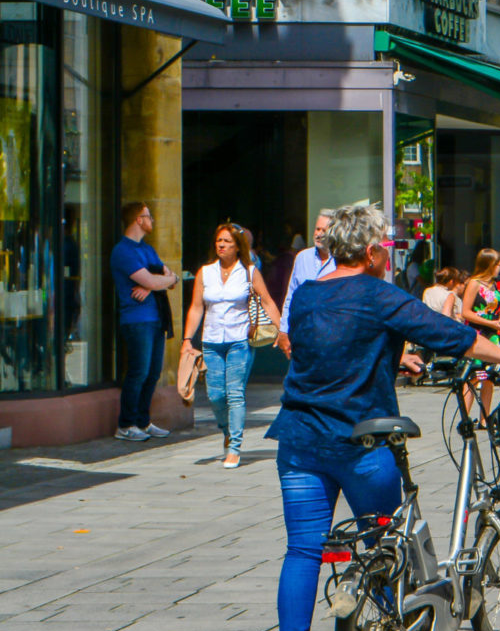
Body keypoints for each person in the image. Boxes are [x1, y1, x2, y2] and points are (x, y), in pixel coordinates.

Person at [268, 203, 500, 631]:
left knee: (303, 549)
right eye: (384, 249)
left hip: (300, 439)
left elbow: (331, 347)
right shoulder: (378, 294)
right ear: (369, 252)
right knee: (388, 542)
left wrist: (396, 354)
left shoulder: (306, 295)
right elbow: (454, 337)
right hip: (361, 441)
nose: (388, 257)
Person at [181, 222, 283, 468]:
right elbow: (196, 308)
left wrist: (281, 331)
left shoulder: (249, 272)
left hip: (240, 340)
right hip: (212, 340)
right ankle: (227, 430)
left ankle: (234, 448)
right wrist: (187, 339)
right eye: (219, 241)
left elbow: (267, 301)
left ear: (238, 246)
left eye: (227, 241)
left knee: (235, 393)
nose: (221, 245)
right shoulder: (205, 273)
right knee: (216, 395)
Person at [111, 200, 179, 442]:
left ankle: (142, 420)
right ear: (138, 220)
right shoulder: (123, 251)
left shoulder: (148, 250)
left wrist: (152, 286)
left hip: (156, 318)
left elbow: (173, 277)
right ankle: (126, 424)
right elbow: (160, 280)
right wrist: (156, 282)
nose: (152, 221)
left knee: (153, 373)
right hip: (136, 319)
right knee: (138, 372)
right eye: (148, 216)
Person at [459, 249, 500, 417]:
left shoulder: (494, 284)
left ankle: (484, 417)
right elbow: (466, 312)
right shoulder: (474, 283)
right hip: (477, 332)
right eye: (498, 265)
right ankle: (465, 416)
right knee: (473, 375)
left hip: (493, 333)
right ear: (488, 265)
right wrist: (490, 322)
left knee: (489, 376)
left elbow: (496, 308)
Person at [281, 208, 335, 315]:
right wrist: (284, 328)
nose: (318, 234)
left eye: (324, 230)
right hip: (303, 325)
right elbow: (291, 295)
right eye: (317, 229)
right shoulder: (302, 257)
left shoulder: (340, 260)